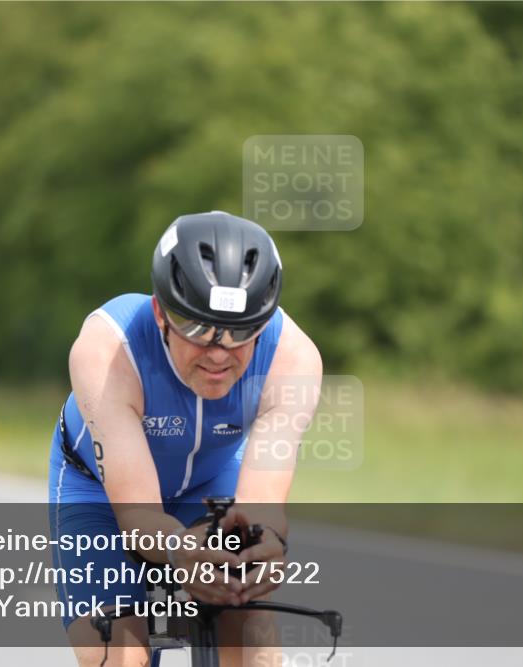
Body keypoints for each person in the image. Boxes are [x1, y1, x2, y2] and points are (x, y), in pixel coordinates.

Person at [48, 211, 322, 667]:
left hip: (211, 482)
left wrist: (264, 541)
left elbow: (261, 507)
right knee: (119, 653)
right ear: (161, 312)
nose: (218, 352)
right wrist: (178, 550)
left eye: (241, 332)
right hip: (98, 490)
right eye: (197, 328)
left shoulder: (292, 359)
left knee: (252, 636)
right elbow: (138, 519)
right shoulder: (108, 351)